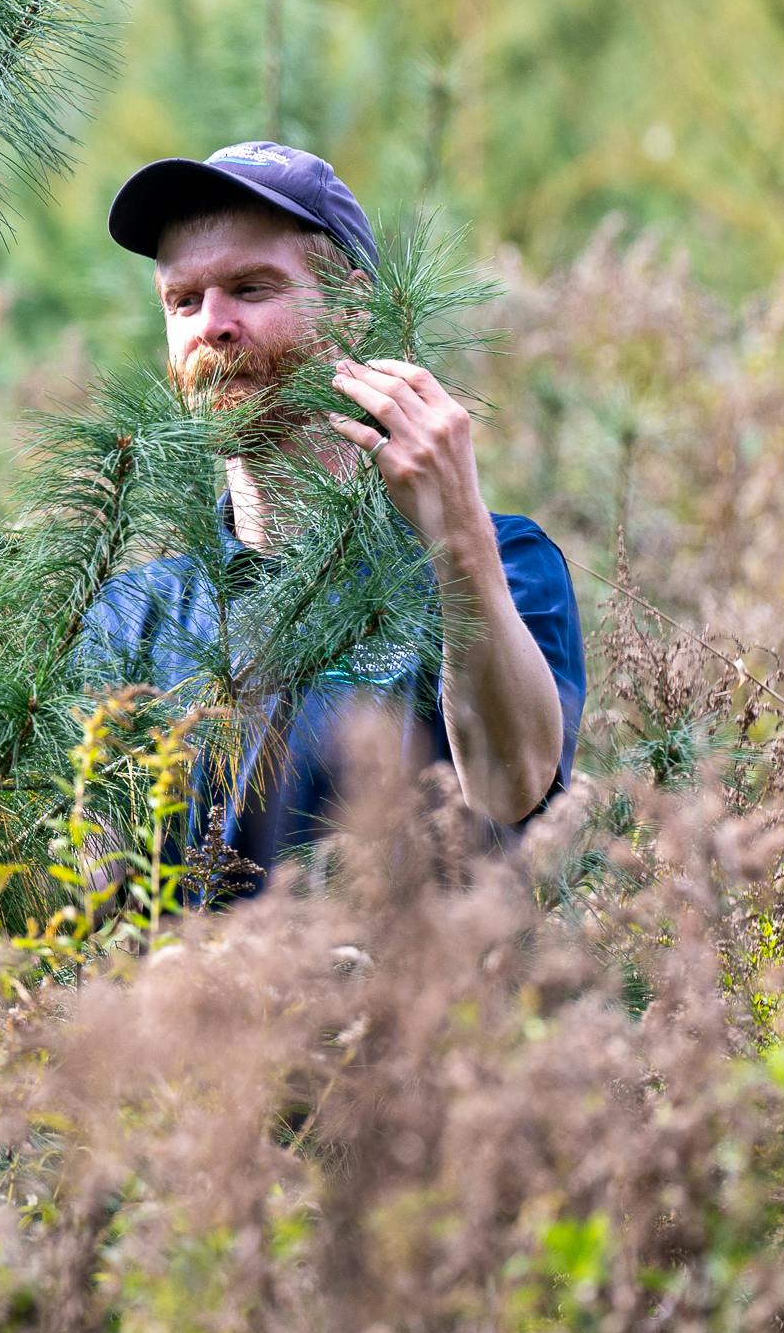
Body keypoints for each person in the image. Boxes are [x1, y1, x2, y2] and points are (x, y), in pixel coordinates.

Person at [76, 141, 584, 898]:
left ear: (352, 308)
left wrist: (457, 539)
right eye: (183, 301)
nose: (210, 326)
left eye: (250, 288)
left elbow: (511, 789)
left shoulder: (505, 564)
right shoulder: (131, 618)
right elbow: (94, 916)